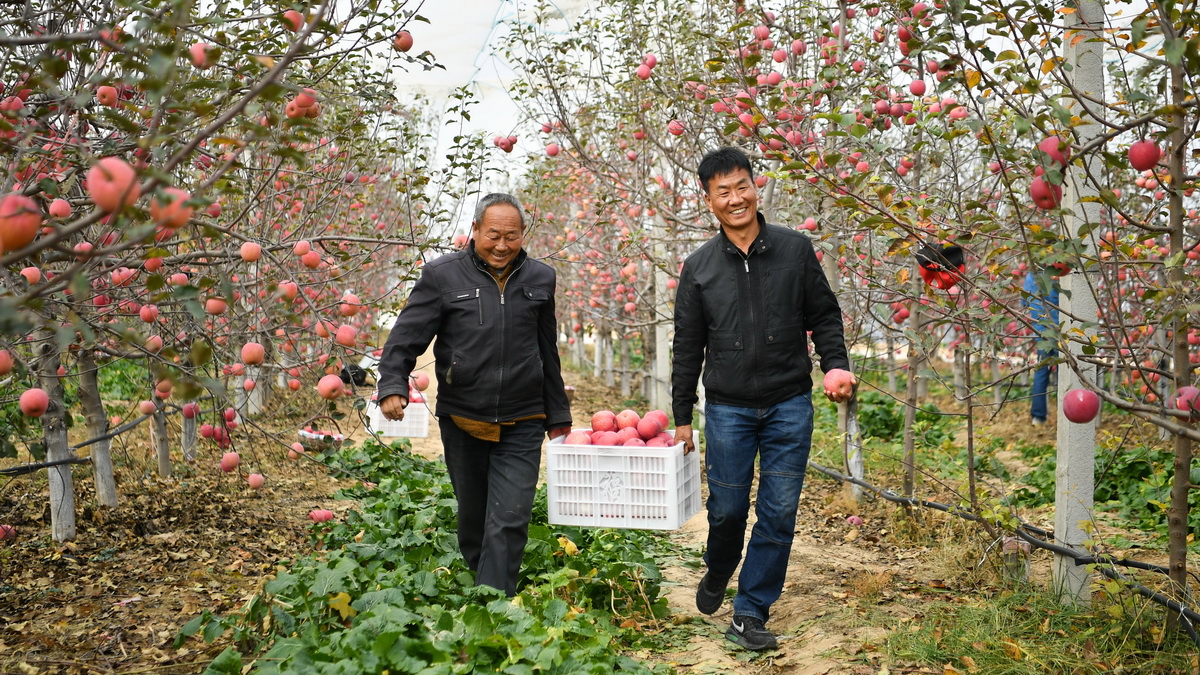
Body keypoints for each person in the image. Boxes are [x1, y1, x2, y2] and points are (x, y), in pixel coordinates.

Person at [671, 146, 857, 652]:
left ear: (757, 187)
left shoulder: (795, 250)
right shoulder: (699, 268)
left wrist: (835, 362)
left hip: (788, 404)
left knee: (778, 511)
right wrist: (681, 413)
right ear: (708, 200)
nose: (735, 199)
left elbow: (825, 314)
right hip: (728, 408)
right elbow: (687, 345)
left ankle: (750, 610)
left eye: (741, 187)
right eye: (722, 191)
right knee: (728, 511)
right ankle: (719, 566)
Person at [375, 192, 572, 596]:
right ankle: (486, 576)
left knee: (511, 515)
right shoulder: (442, 276)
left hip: (523, 415)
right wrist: (392, 382)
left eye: (512, 236)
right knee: (475, 514)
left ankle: (492, 604)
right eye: (494, 235)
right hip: (464, 415)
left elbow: (546, 349)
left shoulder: (540, 278)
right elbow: (407, 336)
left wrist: (558, 416)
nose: (502, 245)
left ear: (523, 235)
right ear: (475, 230)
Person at [1023, 270, 1060, 426]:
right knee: (1066, 375)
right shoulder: (1057, 275)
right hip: (1060, 334)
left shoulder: (1031, 277)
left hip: (1041, 334)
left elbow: (1024, 302)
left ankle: (1038, 417)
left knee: (1041, 374)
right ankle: (1066, 416)